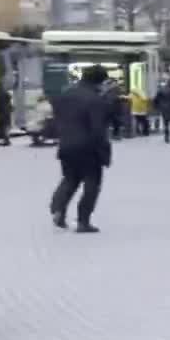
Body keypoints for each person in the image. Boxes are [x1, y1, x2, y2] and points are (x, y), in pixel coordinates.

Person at [50, 66, 111, 233]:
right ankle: (83, 221)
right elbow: (98, 129)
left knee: (70, 179)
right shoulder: (95, 100)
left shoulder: (65, 94)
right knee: (92, 184)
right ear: (98, 81)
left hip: (66, 145)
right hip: (88, 148)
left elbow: (58, 118)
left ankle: (58, 209)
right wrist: (104, 150)